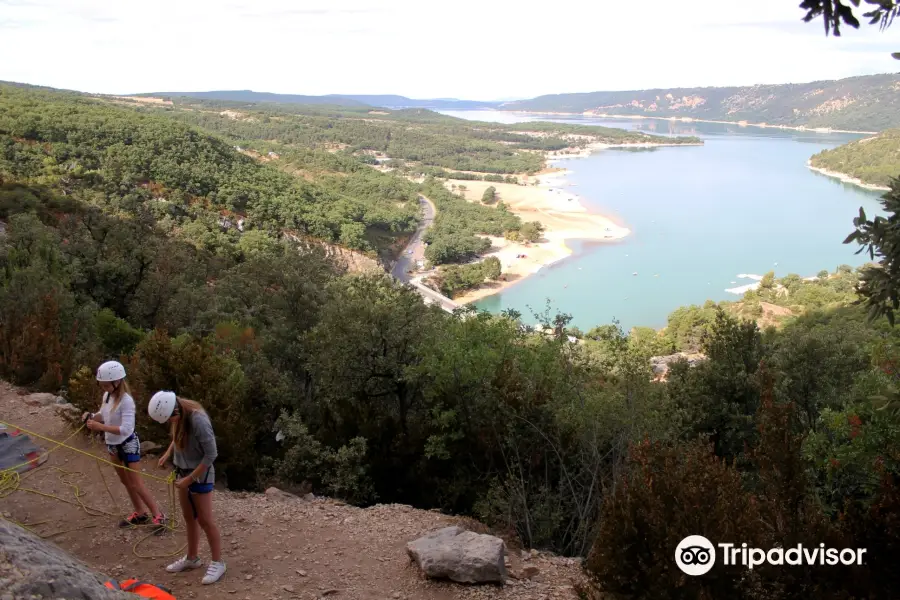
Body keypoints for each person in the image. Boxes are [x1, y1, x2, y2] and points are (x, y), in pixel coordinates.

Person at [148, 391, 226, 585]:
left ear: (176, 410)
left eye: (169, 418)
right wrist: (168, 454)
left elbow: (211, 455)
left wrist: (190, 479)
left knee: (206, 520)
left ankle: (218, 562)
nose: (169, 422)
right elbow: (177, 437)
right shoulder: (179, 415)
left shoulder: (198, 420)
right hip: (183, 473)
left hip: (199, 476)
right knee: (189, 518)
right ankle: (192, 558)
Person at [82, 361, 166, 530]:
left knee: (136, 483)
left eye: (106, 384)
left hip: (127, 444)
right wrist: (91, 417)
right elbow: (103, 414)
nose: (103, 387)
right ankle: (140, 512)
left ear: (117, 382)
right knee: (125, 481)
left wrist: (101, 427)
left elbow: (126, 428)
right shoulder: (107, 396)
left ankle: (158, 515)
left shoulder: (127, 401)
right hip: (112, 444)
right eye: (102, 384)